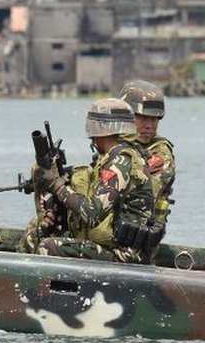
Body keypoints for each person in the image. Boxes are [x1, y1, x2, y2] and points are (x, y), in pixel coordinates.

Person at [31, 98, 158, 264]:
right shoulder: (117, 156)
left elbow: (93, 213)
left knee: (48, 247)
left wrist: (57, 186)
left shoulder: (120, 161)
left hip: (126, 253)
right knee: (37, 233)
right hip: (117, 245)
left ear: (98, 128)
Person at [119, 79, 175, 244]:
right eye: (142, 118)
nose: (149, 125)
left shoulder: (160, 153)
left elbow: (144, 195)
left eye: (155, 119)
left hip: (135, 239)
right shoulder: (114, 145)